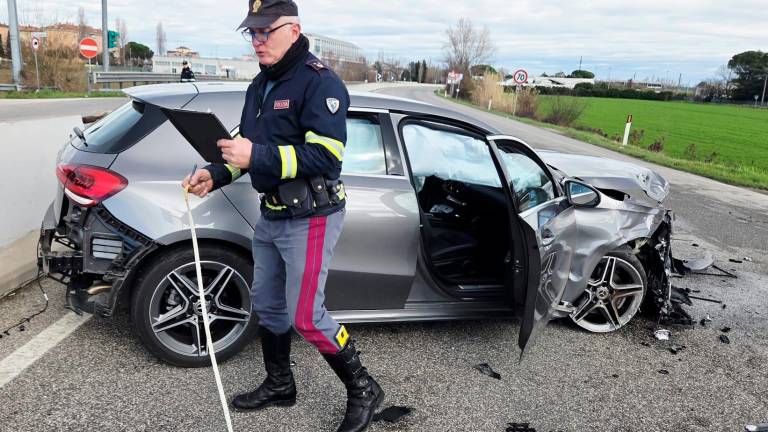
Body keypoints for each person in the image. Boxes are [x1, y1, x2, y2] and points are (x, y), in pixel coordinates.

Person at [181, 1, 383, 431]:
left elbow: (326, 156)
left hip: (312, 215)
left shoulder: (319, 83)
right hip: (271, 214)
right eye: (250, 33)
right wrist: (214, 174)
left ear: (293, 29)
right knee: (270, 307)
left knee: (307, 316)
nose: (256, 41)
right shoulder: (260, 84)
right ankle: (280, 385)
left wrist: (256, 154)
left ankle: (364, 389)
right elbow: (245, 152)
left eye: (264, 32)